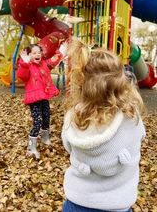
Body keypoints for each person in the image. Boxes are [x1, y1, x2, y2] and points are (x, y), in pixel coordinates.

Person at [62, 38, 145, 212]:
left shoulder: (73, 116)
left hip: (77, 201)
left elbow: (68, 145)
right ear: (121, 82)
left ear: (82, 83)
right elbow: (141, 136)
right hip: (117, 203)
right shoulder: (131, 118)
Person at [17, 42, 67, 159]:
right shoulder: (27, 67)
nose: (37, 54)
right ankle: (31, 146)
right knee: (37, 122)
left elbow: (53, 61)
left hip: (43, 97)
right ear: (29, 55)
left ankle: (45, 138)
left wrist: (62, 51)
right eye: (34, 53)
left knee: (46, 117)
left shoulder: (44, 64)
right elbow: (22, 76)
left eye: (39, 52)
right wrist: (24, 63)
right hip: (34, 99)